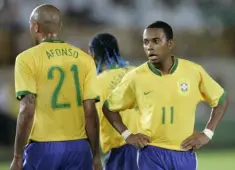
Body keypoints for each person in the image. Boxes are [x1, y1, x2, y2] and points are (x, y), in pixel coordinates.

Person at [102, 21, 229, 170]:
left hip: (185, 152)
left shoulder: (193, 72)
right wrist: (127, 134)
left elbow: (221, 100)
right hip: (151, 153)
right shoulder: (135, 77)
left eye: (156, 41)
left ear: (170, 44)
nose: (150, 46)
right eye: (146, 42)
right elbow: (109, 107)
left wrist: (207, 133)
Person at [10, 4, 101, 170]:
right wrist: (95, 155)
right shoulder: (85, 59)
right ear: (59, 27)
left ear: (35, 26)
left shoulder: (26, 59)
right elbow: (90, 112)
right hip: (79, 148)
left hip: (43, 147)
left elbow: (27, 110)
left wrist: (17, 156)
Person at [88, 33, 138, 170]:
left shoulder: (97, 82)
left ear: (93, 54)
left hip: (123, 152)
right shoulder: (138, 72)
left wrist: (94, 156)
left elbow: (92, 122)